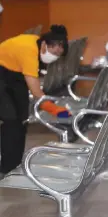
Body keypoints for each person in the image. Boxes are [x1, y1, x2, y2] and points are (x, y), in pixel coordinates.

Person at [0, 25, 70, 175]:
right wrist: (56, 110)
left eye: (58, 55)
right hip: (2, 74)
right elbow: (37, 93)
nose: (54, 57)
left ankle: (15, 163)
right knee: (11, 119)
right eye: (53, 52)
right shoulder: (29, 52)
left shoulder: (40, 48)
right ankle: (6, 168)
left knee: (22, 117)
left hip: (14, 75)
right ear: (44, 44)